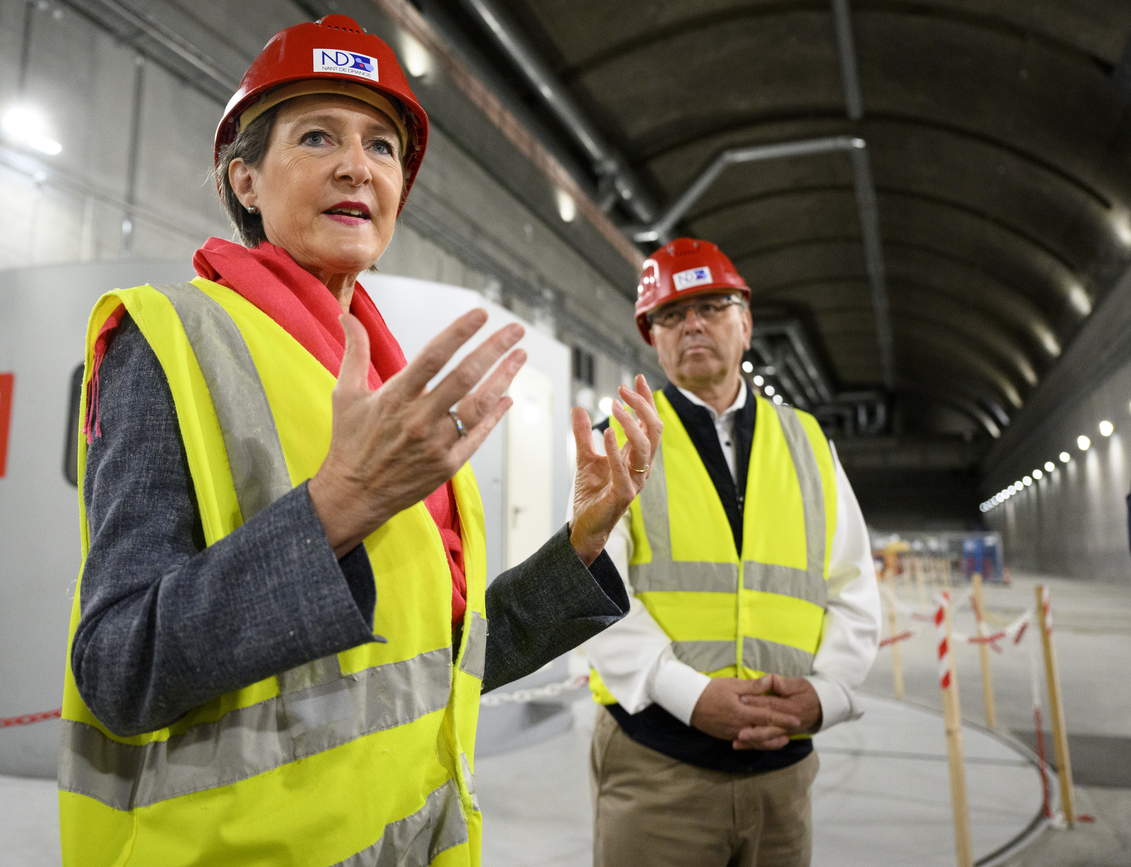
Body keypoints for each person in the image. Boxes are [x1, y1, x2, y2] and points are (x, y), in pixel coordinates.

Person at [56, 15, 663, 867]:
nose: (357, 164)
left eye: (382, 146)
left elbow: (438, 662)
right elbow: (118, 668)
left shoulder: (382, 379)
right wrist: (334, 510)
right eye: (316, 136)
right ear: (246, 181)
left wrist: (584, 541)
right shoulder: (173, 342)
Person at [583, 239, 881, 866]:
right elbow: (592, 592)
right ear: (653, 339)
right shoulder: (618, 443)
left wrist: (827, 694)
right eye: (671, 314)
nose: (692, 323)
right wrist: (693, 696)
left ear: (745, 324)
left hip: (784, 774)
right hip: (659, 771)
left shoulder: (807, 442)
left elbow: (853, 585)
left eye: (712, 306)